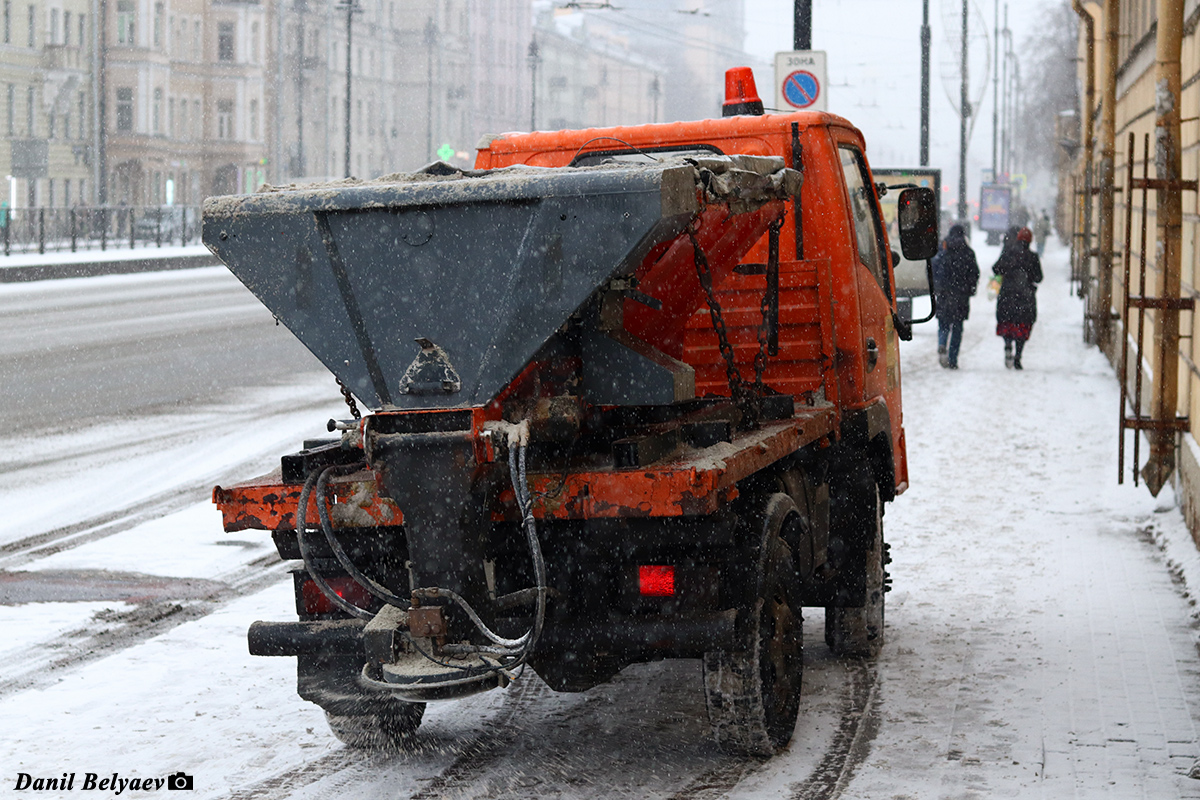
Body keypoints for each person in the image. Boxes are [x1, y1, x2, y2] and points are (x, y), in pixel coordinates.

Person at [993, 226, 1043, 370]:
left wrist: (1007, 272)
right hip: (1025, 297)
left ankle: (1008, 345)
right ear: (1030, 240)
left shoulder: (1009, 253)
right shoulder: (1033, 257)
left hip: (1008, 295)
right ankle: (1018, 356)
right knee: (1023, 325)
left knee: (1008, 322)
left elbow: (996, 268)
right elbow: (1039, 277)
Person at [932, 224, 980, 369]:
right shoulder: (968, 252)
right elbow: (974, 273)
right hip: (961, 295)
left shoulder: (943, 249)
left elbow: (934, 268)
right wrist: (970, 289)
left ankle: (942, 344)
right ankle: (953, 359)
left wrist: (937, 286)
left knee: (944, 323)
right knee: (957, 327)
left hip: (944, 294)